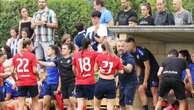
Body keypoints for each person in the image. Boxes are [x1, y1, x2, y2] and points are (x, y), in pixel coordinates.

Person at [125, 37, 159, 110]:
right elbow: (138, 66)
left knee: (154, 90)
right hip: (144, 70)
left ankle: (155, 108)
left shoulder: (142, 52)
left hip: (153, 71)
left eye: (127, 46)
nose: (126, 48)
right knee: (140, 88)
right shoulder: (130, 53)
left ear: (132, 45)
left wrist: (145, 81)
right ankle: (145, 108)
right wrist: (138, 77)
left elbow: (148, 67)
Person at [94, 41, 124, 110]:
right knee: (110, 106)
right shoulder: (116, 58)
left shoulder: (99, 56)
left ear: (102, 48)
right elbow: (121, 71)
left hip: (101, 82)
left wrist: (101, 69)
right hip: (111, 82)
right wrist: (115, 70)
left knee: (96, 106)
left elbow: (95, 69)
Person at [11, 38, 39, 110]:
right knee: (35, 102)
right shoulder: (32, 55)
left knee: (21, 104)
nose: (32, 46)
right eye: (31, 45)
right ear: (27, 46)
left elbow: (12, 71)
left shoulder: (16, 56)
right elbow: (35, 70)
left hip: (21, 82)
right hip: (31, 81)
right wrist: (38, 76)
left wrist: (16, 80)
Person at [72, 38, 98, 110]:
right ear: (89, 45)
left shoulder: (76, 55)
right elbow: (102, 55)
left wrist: (77, 75)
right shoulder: (93, 54)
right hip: (90, 82)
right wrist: (92, 50)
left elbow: (73, 69)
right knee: (95, 105)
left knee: (80, 106)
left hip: (79, 82)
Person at [38, 45, 61, 110]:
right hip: (48, 84)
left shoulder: (58, 60)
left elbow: (60, 75)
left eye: (48, 49)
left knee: (56, 104)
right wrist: (41, 80)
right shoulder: (47, 60)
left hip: (55, 84)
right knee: (45, 104)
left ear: (53, 51)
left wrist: (59, 87)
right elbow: (47, 73)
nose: (46, 51)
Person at [117, 40, 137, 110]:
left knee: (128, 104)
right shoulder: (119, 56)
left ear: (126, 47)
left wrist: (121, 64)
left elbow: (129, 69)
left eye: (122, 46)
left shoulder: (129, 57)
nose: (120, 48)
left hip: (130, 83)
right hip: (122, 84)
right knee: (121, 104)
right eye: (118, 46)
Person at [56, 44, 76, 110]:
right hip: (63, 84)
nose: (62, 50)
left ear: (69, 50)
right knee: (67, 104)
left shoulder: (73, 59)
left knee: (73, 102)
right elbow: (50, 64)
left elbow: (76, 71)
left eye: (64, 48)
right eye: (62, 48)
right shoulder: (59, 60)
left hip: (72, 83)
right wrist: (38, 61)